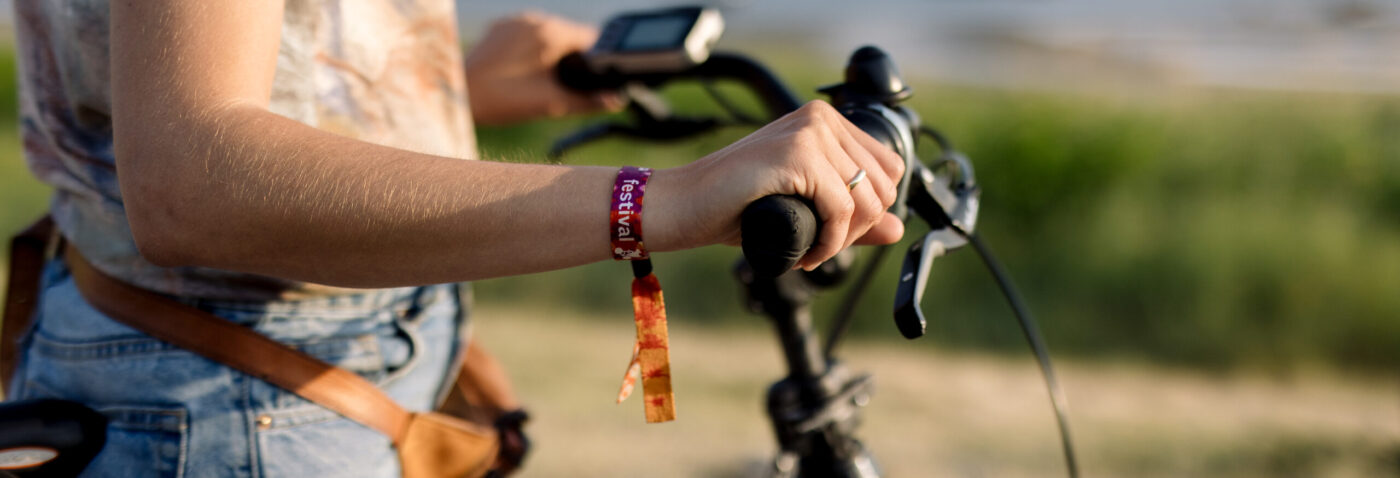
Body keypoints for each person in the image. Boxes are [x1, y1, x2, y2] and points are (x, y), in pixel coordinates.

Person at [5, 1, 904, 476]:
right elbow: (190, 182)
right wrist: (663, 200)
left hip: (295, 383)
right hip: (239, 409)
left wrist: (442, 88)